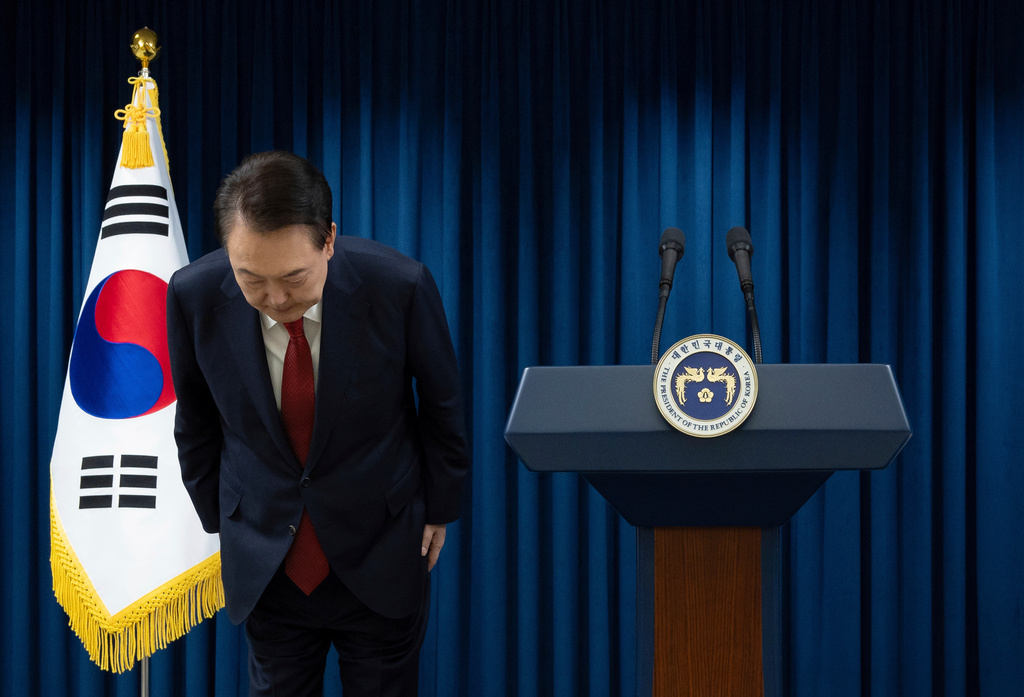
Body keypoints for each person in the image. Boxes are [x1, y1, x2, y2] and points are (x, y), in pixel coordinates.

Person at [166, 151, 470, 696]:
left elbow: (442, 404)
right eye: (251, 279)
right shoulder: (192, 296)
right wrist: (228, 522)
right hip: (268, 559)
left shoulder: (399, 286)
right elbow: (194, 419)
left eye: (294, 277)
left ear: (329, 239)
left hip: (380, 546)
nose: (276, 299)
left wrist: (440, 506)